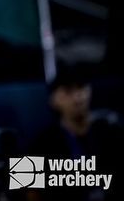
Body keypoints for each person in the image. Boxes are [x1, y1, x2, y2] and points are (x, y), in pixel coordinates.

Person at [27, 65, 123, 200]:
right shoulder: (40, 141)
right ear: (54, 100)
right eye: (68, 91)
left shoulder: (111, 132)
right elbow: (26, 190)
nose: (77, 97)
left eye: (81, 88)